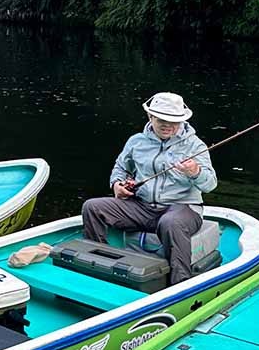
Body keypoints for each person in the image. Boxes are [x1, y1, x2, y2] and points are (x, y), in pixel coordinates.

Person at [82, 92, 217, 284]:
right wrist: (117, 184)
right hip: (143, 207)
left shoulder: (195, 145)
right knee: (92, 207)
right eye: (162, 119)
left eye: (174, 121)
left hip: (182, 209)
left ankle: (180, 284)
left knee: (170, 222)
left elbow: (210, 184)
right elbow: (120, 167)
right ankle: (97, 264)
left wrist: (195, 171)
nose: (168, 125)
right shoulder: (136, 141)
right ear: (150, 116)